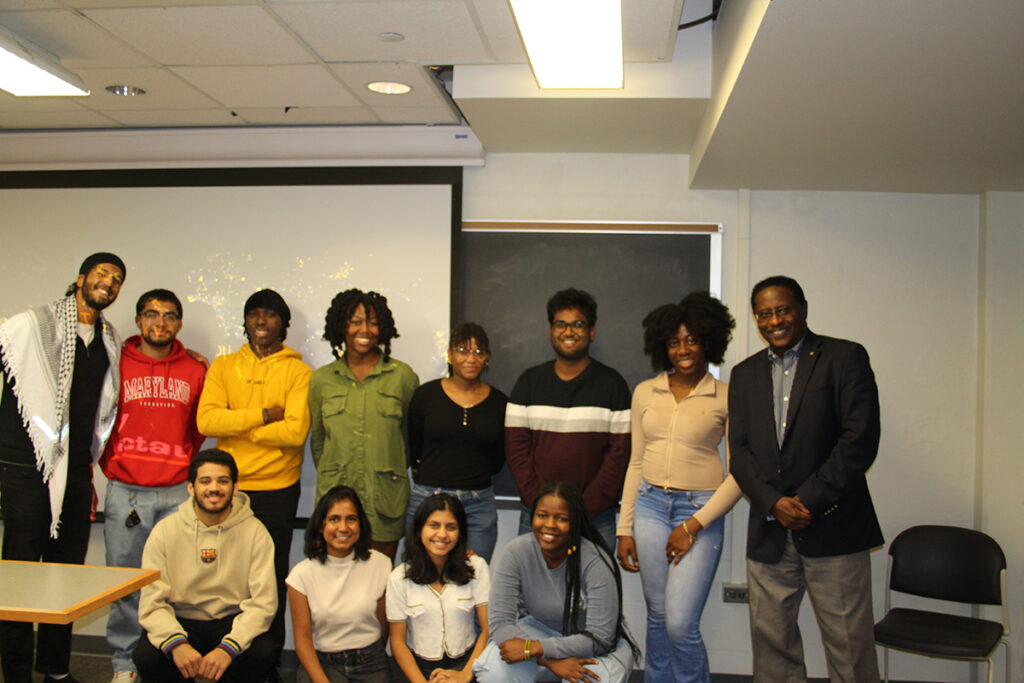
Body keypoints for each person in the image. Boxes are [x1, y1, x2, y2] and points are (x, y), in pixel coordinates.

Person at [729, 275, 883, 683]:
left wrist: (805, 500)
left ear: (802, 309)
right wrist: (774, 504)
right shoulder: (744, 375)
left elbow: (859, 440)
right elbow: (739, 454)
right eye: (764, 314)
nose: (774, 320)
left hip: (835, 526)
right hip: (769, 530)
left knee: (849, 648)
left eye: (782, 310)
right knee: (772, 649)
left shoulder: (844, 358)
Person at [0, 252, 126, 683]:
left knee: (63, 573)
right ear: (80, 278)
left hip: (74, 471)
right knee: (17, 575)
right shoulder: (34, 325)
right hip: (25, 466)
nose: (108, 283)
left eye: (116, 279)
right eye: (102, 274)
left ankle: (53, 668)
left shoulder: (109, 340)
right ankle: (15, 673)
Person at [615, 292, 742, 683]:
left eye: (691, 339)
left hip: (699, 510)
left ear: (708, 340)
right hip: (650, 506)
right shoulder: (644, 392)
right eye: (673, 342)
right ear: (662, 347)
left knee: (680, 622)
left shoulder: (726, 395)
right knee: (656, 616)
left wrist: (694, 525)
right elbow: (636, 462)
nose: (683, 349)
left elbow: (740, 476)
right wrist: (624, 527)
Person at [196, 288, 312, 666]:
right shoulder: (224, 366)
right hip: (228, 490)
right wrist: (263, 416)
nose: (261, 321)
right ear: (245, 321)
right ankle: (225, 658)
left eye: (270, 315)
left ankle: (266, 663)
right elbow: (207, 421)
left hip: (278, 488)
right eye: (254, 314)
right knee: (225, 578)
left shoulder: (299, 371)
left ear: (284, 324)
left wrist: (239, 428)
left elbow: (295, 433)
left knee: (270, 579)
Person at [99, 288, 208, 683]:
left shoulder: (196, 370)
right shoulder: (115, 361)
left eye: (169, 316)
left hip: (178, 490)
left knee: (177, 583)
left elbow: (199, 428)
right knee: (125, 583)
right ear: (138, 320)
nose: (159, 323)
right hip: (126, 490)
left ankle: (170, 658)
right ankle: (124, 664)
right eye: (151, 314)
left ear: (179, 323)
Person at [134, 449, 277, 683]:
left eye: (223, 481)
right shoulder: (165, 531)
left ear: (235, 487)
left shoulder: (256, 533)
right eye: (205, 481)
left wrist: (229, 648)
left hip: (231, 621)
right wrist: (176, 643)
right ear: (191, 488)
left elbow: (263, 604)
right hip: (181, 619)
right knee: (146, 657)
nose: (214, 488)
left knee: (264, 652)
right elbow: (152, 601)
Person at [474, 481, 638, 683]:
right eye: (542, 515)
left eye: (561, 518)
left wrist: (535, 649)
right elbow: (500, 624)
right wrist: (547, 659)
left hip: (592, 645)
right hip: (540, 630)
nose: (549, 525)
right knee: (493, 672)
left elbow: (600, 637)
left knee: (593, 679)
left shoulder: (595, 561)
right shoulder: (516, 552)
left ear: (575, 522)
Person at [505, 288, 630, 551]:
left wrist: (581, 509)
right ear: (551, 330)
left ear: (592, 331)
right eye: (561, 324)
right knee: (534, 589)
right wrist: (545, 508)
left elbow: (619, 455)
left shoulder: (613, 385)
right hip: (537, 518)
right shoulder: (528, 383)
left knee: (596, 591)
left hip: (595, 517)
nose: (568, 332)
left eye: (578, 324)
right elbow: (516, 451)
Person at [309, 288, 419, 560]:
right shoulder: (323, 380)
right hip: (336, 501)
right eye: (355, 321)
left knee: (381, 582)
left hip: (385, 500)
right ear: (341, 326)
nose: (365, 329)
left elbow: (411, 437)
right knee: (334, 582)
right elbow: (319, 441)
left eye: (371, 322)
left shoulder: (402, 376)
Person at [406, 323, 507, 561]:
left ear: (487, 358)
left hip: (478, 505)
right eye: (462, 350)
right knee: (419, 574)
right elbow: (414, 444)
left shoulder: (500, 403)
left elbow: (498, 457)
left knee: (473, 578)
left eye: (478, 352)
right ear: (450, 355)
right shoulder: (425, 396)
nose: (470, 358)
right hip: (428, 498)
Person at [286, 485, 392, 683]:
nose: (343, 528)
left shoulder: (381, 565)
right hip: (323, 662)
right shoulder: (300, 575)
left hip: (371, 662)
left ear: (360, 524)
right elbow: (303, 641)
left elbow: (385, 626)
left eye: (351, 519)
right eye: (334, 519)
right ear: (321, 525)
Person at [388, 493, 490, 683]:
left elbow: (488, 629)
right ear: (419, 530)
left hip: (467, 666)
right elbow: (397, 642)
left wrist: (465, 675)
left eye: (451, 527)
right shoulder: (398, 578)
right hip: (416, 669)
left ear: (460, 533)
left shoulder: (477, 568)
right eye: (434, 525)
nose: (442, 534)